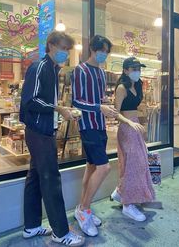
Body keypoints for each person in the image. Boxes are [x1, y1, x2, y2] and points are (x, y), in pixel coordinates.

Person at [20, 31, 85, 246]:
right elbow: (30, 101)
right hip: (39, 131)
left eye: (68, 49)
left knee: (36, 178)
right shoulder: (40, 67)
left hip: (41, 129)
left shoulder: (51, 69)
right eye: (63, 48)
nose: (65, 53)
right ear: (51, 46)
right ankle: (60, 232)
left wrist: (59, 109)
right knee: (51, 180)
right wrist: (58, 108)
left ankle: (31, 227)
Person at [71, 35, 118, 237]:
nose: (104, 55)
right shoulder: (79, 70)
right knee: (104, 167)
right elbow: (77, 101)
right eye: (102, 51)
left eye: (107, 52)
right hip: (87, 125)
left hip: (100, 125)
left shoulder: (100, 72)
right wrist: (100, 107)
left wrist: (105, 101)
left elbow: (98, 98)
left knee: (91, 167)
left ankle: (82, 208)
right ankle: (84, 210)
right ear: (93, 49)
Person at [110, 57, 155, 221]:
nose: (137, 71)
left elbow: (137, 108)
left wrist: (140, 123)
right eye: (134, 68)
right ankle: (127, 204)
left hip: (136, 126)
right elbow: (116, 113)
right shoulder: (121, 88)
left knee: (140, 162)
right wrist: (129, 122)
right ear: (125, 70)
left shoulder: (138, 85)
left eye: (139, 68)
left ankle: (120, 192)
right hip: (126, 128)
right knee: (132, 164)